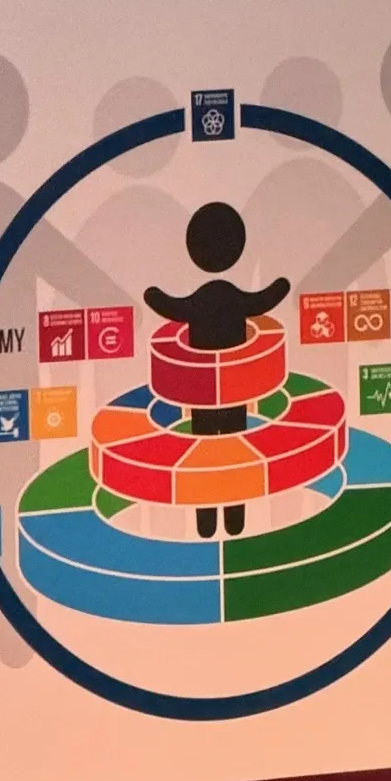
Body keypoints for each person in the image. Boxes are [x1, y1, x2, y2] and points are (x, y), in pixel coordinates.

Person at [144, 202, 290, 539]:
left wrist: (153, 295)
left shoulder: (201, 300)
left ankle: (206, 521)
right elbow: (263, 300)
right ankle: (233, 518)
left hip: (204, 394)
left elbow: (170, 306)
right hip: (232, 391)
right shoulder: (232, 297)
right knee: (235, 449)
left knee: (205, 452)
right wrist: (282, 285)